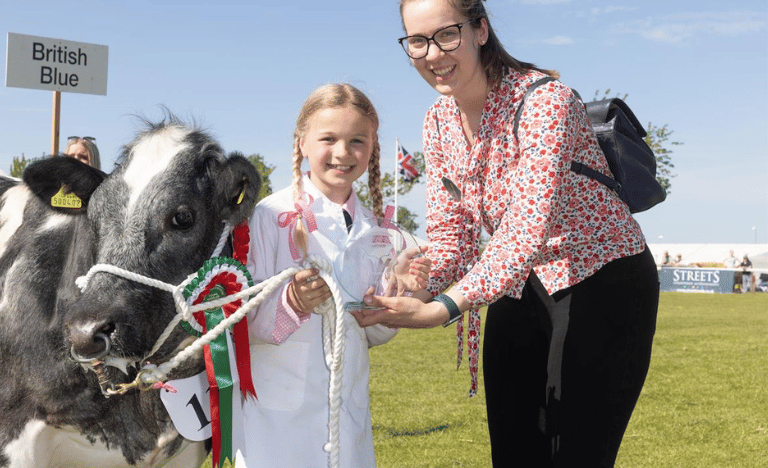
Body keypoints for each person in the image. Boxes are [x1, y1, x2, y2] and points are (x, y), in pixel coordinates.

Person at [352, 1, 660, 467]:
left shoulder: (544, 101)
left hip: (602, 278)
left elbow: (524, 232)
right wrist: (421, 278)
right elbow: (451, 234)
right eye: (417, 41)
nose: (433, 54)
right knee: (514, 453)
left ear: (480, 30)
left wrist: (442, 309)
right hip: (519, 284)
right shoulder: (438, 121)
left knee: (576, 455)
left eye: (447, 34)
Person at [241, 83, 430, 468]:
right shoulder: (267, 217)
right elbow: (240, 322)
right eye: (329, 138)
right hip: (278, 423)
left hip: (349, 416)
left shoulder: (377, 230)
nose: (343, 153)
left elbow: (371, 332)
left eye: (357, 141)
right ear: (302, 143)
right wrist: (291, 302)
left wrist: (397, 298)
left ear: (372, 148)